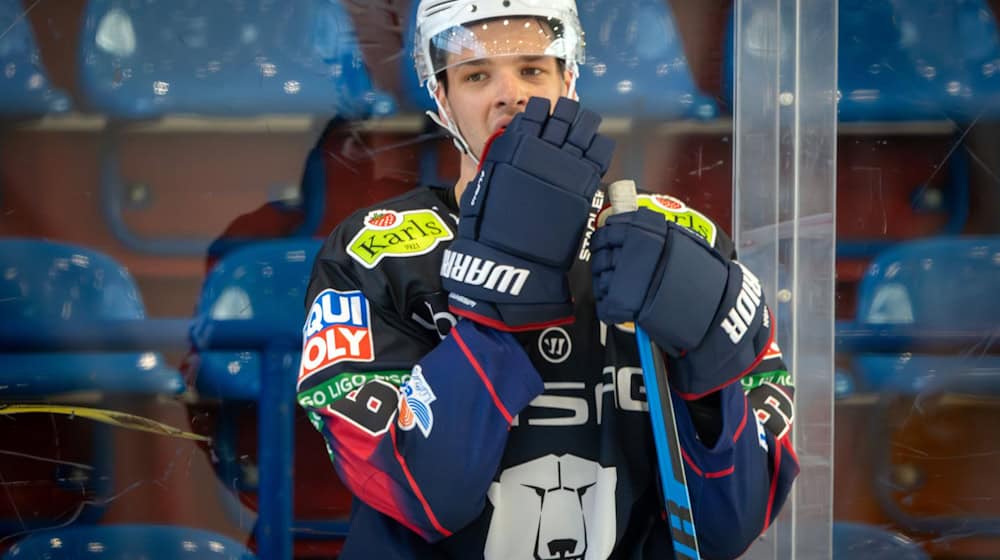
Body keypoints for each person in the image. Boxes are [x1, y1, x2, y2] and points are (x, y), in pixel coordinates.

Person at [296, 1, 799, 558]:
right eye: (476, 74)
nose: (509, 93)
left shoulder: (672, 239)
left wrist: (708, 378)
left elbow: (729, 526)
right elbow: (421, 495)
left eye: (533, 69)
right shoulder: (374, 250)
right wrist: (498, 285)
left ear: (570, 80)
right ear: (441, 99)